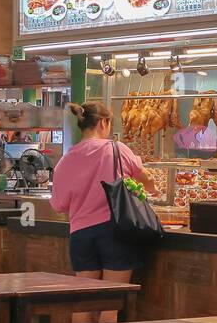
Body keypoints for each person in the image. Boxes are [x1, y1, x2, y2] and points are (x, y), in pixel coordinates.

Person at [51, 102, 158, 282]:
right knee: (111, 300)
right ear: (103, 123)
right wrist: (151, 190)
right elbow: (147, 181)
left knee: (85, 299)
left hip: (81, 235)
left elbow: (59, 205)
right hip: (114, 231)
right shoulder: (117, 149)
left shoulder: (66, 159)